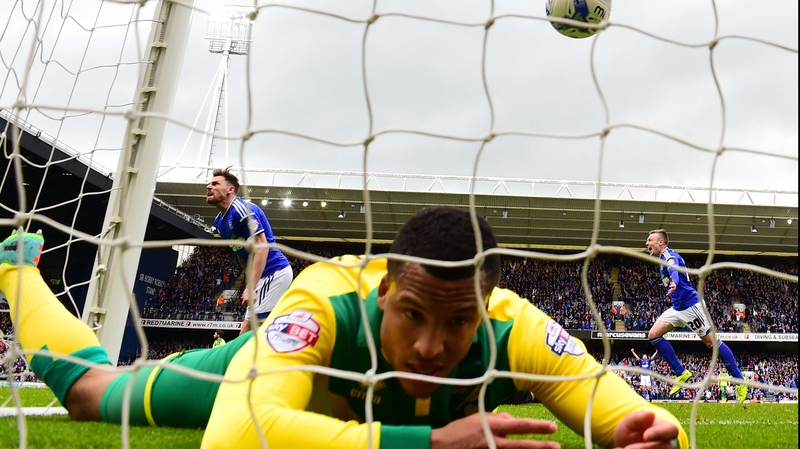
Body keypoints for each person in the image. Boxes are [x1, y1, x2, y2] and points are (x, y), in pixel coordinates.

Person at [0, 208, 689, 449]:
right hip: (263, 372)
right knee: (91, 395)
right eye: (413, 314)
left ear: (486, 306)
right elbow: (238, 431)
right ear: (385, 290)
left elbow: (639, 420)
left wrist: (663, 435)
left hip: (314, 405)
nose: (430, 344)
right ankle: (17, 267)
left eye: (457, 323)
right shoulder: (326, 297)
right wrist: (429, 439)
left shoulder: (517, 330)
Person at [644, 229, 748, 403]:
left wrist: (674, 282)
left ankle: (739, 380)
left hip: (690, 307)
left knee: (711, 342)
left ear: (660, 242)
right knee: (653, 335)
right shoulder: (664, 258)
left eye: (649, 240)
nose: (647, 244)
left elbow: (674, 269)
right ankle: (681, 372)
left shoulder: (669, 256)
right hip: (678, 308)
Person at [206, 168, 293, 334]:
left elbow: (262, 246)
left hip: (274, 272)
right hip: (261, 278)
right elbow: (241, 255)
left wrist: (251, 287)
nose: (209, 187)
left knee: (251, 332)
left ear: (230, 190)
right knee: (246, 332)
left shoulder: (242, 209)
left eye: (215, 183)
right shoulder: (219, 222)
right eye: (209, 184)